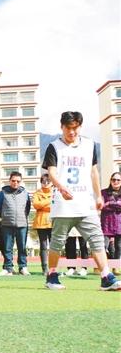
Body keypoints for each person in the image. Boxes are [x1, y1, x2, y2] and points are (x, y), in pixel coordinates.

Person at [43, 111, 120, 290]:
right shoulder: (54, 147)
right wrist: (61, 187)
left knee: (97, 239)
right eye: (68, 128)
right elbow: (51, 172)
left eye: (75, 128)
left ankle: (106, 276)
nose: (72, 132)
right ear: (62, 127)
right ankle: (52, 275)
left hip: (85, 203)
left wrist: (98, 195)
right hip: (63, 204)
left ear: (80, 127)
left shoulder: (89, 145)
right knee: (57, 241)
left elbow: (94, 172)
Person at [0, 171, 31, 276]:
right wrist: (5, 216)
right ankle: (8, 268)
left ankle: (23, 267)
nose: (15, 183)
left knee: (22, 247)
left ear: (21, 182)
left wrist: (22, 217)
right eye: (13, 181)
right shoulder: (2, 193)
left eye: (18, 181)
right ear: (9, 181)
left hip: (22, 224)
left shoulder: (25, 193)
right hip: (7, 224)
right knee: (7, 247)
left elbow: (28, 208)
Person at [32, 174, 53, 274]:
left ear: (51, 182)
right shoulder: (37, 193)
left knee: (54, 246)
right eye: (43, 182)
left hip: (53, 221)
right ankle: (44, 268)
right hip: (41, 222)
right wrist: (49, 201)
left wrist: (43, 204)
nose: (46, 184)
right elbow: (36, 205)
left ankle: (54, 268)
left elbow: (56, 205)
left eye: (48, 181)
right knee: (43, 246)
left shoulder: (55, 192)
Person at [100, 172, 121, 271]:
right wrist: (115, 205)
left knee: (119, 246)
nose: (116, 181)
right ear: (110, 180)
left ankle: (116, 267)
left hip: (119, 223)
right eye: (114, 179)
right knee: (102, 246)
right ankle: (102, 267)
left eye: (118, 180)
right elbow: (101, 206)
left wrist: (109, 203)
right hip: (106, 223)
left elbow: (107, 205)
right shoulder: (103, 192)